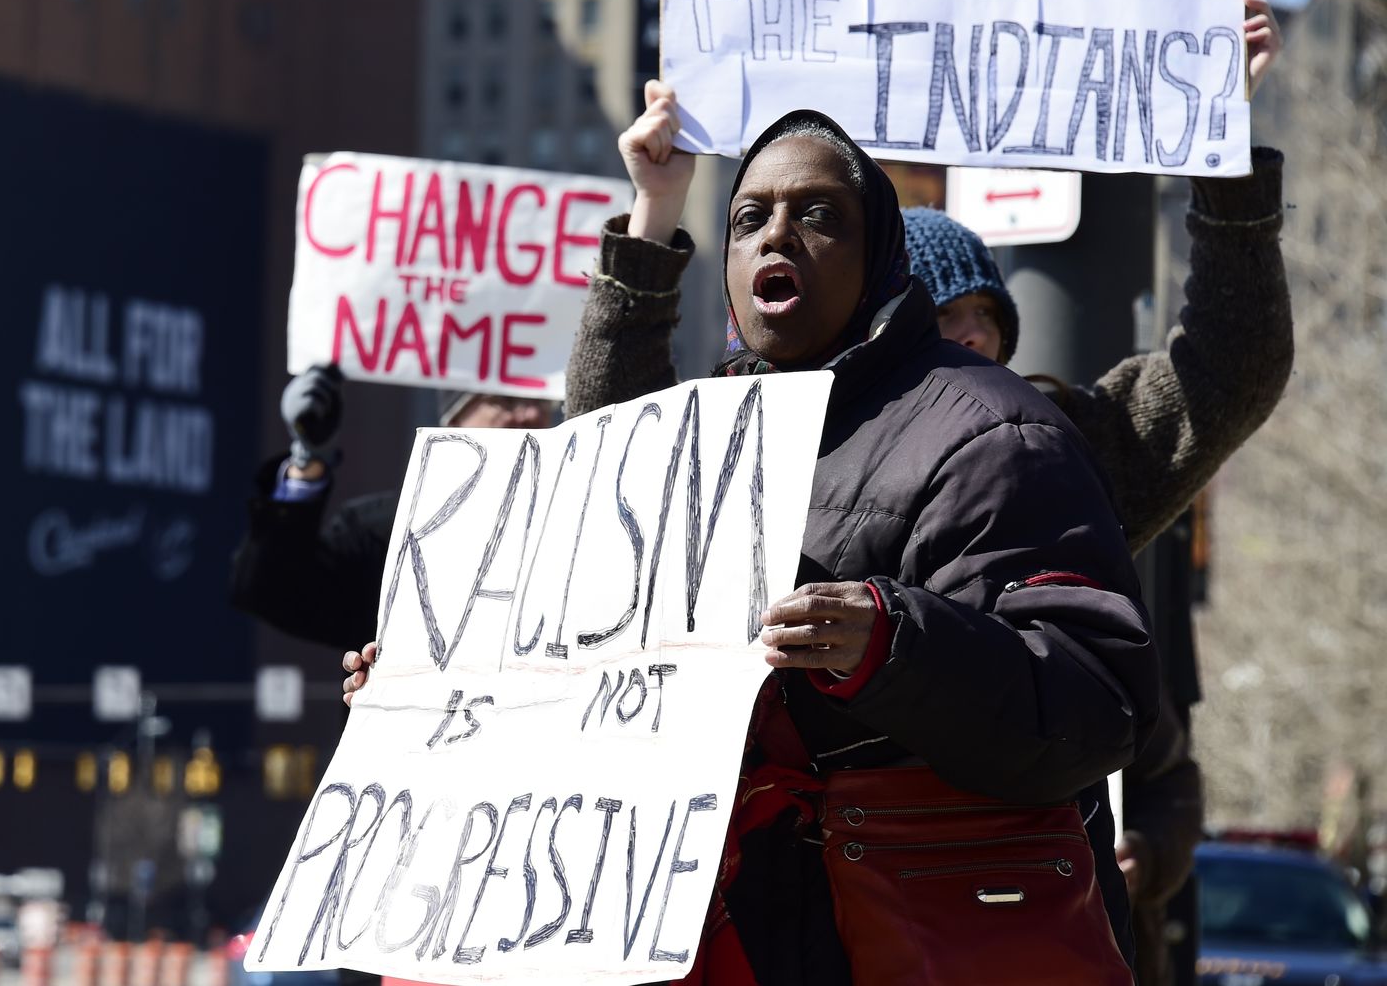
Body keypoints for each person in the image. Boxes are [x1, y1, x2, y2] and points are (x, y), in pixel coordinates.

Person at [349, 101, 1159, 983]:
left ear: (878, 254)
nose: (777, 234)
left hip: (905, 940)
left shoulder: (993, 434)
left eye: (817, 215)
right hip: (723, 938)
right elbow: (594, 598)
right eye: (749, 218)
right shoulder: (713, 432)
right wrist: (438, 693)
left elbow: (1097, 702)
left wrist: (893, 644)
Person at [900, 0, 1289, 986]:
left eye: (987, 316)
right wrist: (655, 225)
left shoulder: (1064, 452)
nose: (975, 334)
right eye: (943, 320)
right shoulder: (800, 460)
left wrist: (1225, 143)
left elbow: (1230, 368)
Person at [230, 364, 556, 655]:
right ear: (454, 419)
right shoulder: (382, 531)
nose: (528, 415)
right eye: (505, 402)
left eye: (540, 402)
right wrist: (308, 459)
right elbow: (270, 592)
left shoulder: (573, 526)